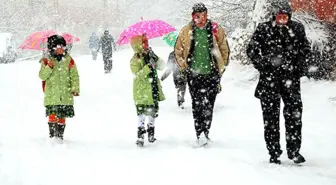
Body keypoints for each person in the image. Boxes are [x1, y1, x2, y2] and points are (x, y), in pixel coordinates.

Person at [246, 1, 311, 164]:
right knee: (270, 119)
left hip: (291, 80)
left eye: (285, 16)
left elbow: (306, 50)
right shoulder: (264, 28)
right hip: (269, 81)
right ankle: (274, 152)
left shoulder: (297, 28)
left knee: (294, 116)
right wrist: (263, 65)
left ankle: (294, 151)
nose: (282, 19)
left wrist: (299, 67)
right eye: (279, 16)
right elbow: (252, 49)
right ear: (274, 16)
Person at [174, 3, 230, 146]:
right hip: (194, 74)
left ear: (207, 15)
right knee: (197, 104)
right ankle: (199, 133)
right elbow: (178, 51)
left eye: (203, 15)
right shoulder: (186, 31)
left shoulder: (215, 29)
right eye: (197, 15)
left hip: (212, 73)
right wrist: (184, 67)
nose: (200, 18)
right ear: (193, 16)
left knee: (209, 104)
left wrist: (221, 66)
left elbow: (224, 47)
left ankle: (206, 131)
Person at [39, 35, 80, 140]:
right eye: (58, 46)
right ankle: (52, 135)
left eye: (63, 46)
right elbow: (42, 75)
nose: (61, 49)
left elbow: (74, 75)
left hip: (65, 94)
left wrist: (75, 88)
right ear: (52, 47)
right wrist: (49, 66)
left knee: (62, 115)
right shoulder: (46, 61)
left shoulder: (68, 60)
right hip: (52, 94)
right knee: (52, 115)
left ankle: (60, 136)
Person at [130, 34, 166, 147]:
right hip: (142, 91)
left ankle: (151, 133)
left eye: (147, 42)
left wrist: (155, 58)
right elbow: (137, 75)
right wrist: (148, 67)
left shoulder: (150, 55)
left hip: (153, 88)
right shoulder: (135, 59)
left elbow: (162, 66)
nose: (146, 44)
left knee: (152, 113)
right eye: (144, 42)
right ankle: (140, 136)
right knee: (141, 114)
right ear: (138, 45)